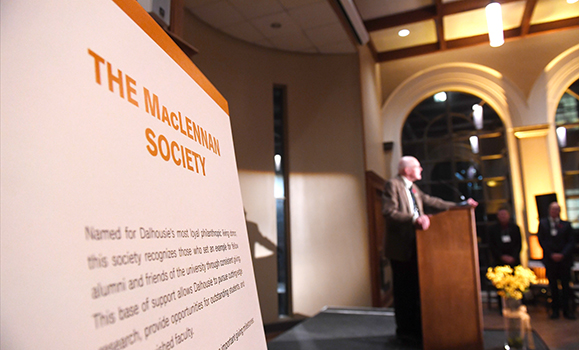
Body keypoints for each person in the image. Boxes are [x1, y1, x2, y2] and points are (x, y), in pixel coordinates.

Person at [382, 156, 478, 345]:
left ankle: (417, 329)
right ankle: (404, 332)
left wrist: (460, 206)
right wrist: (414, 219)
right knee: (403, 292)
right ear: (406, 170)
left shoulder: (414, 188)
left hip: (418, 246)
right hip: (401, 249)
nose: (421, 170)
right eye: (418, 167)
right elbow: (388, 211)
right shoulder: (392, 185)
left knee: (416, 290)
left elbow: (432, 201)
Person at [537, 202, 576, 320]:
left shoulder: (566, 225)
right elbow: (542, 241)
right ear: (549, 210)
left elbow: (571, 241)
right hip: (550, 260)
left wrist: (562, 254)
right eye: (553, 209)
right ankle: (555, 311)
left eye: (557, 210)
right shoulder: (543, 224)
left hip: (564, 261)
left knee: (565, 286)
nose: (555, 212)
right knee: (553, 286)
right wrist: (551, 254)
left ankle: (567, 311)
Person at [488, 206, 522, 312]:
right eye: (501, 215)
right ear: (498, 216)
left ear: (509, 215)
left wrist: (513, 257)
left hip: (513, 260)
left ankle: (515, 305)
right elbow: (491, 245)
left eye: (505, 214)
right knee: (501, 285)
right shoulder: (493, 229)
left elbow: (519, 244)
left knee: (514, 284)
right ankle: (502, 307)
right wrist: (502, 256)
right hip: (499, 261)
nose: (503, 217)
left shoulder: (515, 228)